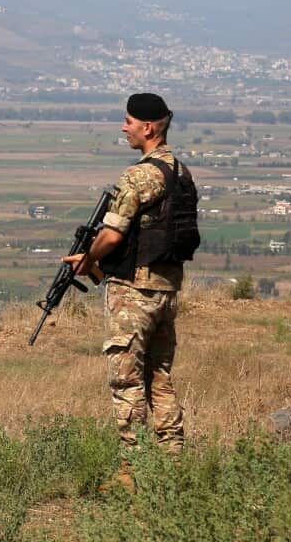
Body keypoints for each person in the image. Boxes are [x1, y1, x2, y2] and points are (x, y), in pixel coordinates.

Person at [62, 92, 189, 453]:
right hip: (166, 290)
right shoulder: (181, 173)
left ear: (147, 128)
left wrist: (89, 258)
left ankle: (132, 465)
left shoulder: (138, 176)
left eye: (128, 122)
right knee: (160, 378)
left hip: (134, 293)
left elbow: (114, 233)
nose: (123, 128)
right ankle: (172, 457)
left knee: (127, 380)